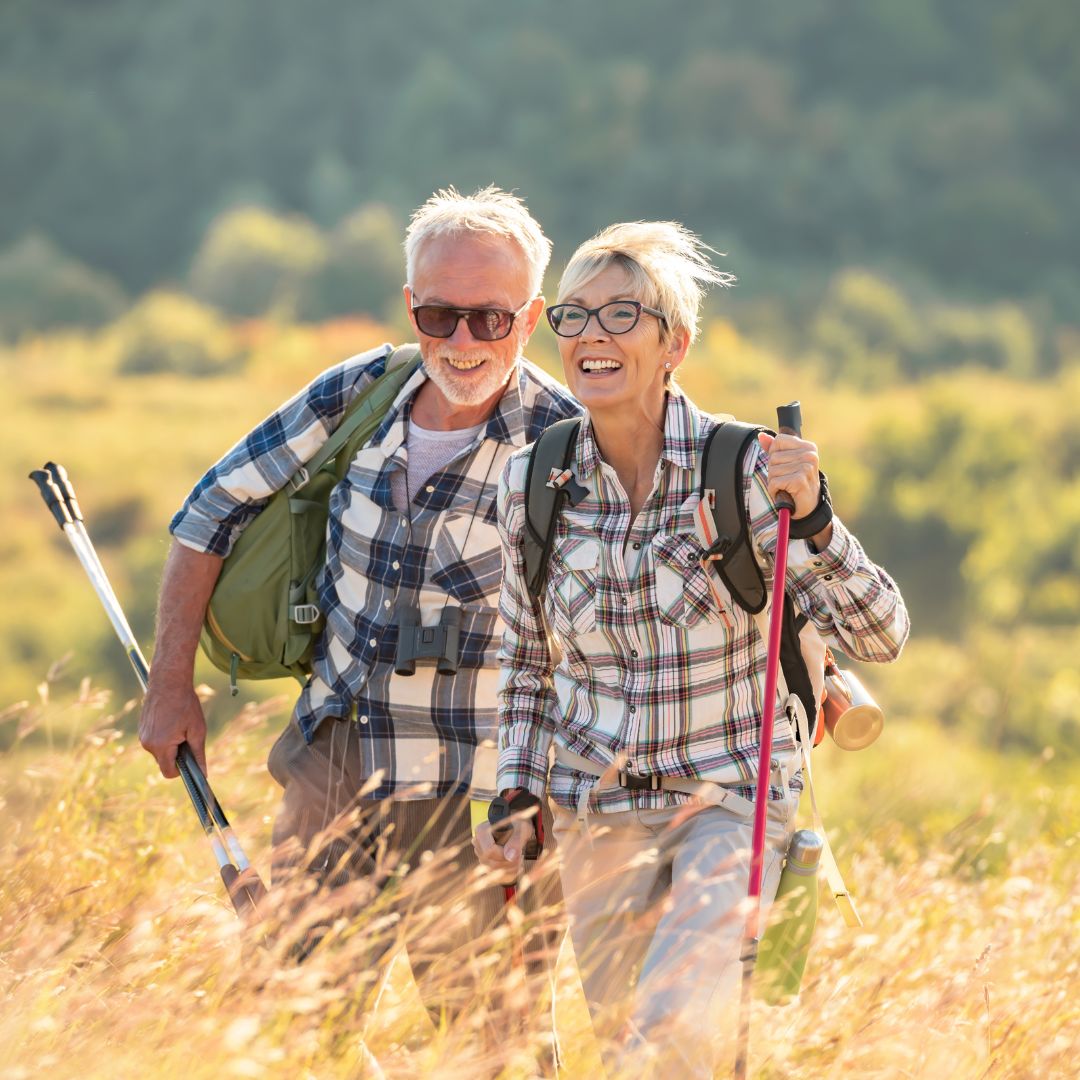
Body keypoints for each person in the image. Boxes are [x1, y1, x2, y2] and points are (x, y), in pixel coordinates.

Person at [474, 221, 910, 1074]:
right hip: (592, 814)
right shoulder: (532, 479)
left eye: (621, 316)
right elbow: (527, 662)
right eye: (574, 317)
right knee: (636, 1047)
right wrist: (516, 789)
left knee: (665, 1035)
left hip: (731, 803)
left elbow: (881, 634)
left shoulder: (748, 471)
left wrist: (817, 520)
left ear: (674, 342)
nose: (592, 337)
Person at [139, 186, 579, 1022]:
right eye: (440, 314)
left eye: (489, 319)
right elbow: (206, 518)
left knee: (496, 1049)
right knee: (296, 1032)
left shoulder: (570, 441)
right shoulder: (359, 394)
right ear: (412, 305)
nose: (461, 340)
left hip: (488, 791)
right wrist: (169, 686)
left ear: (530, 320)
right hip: (335, 767)